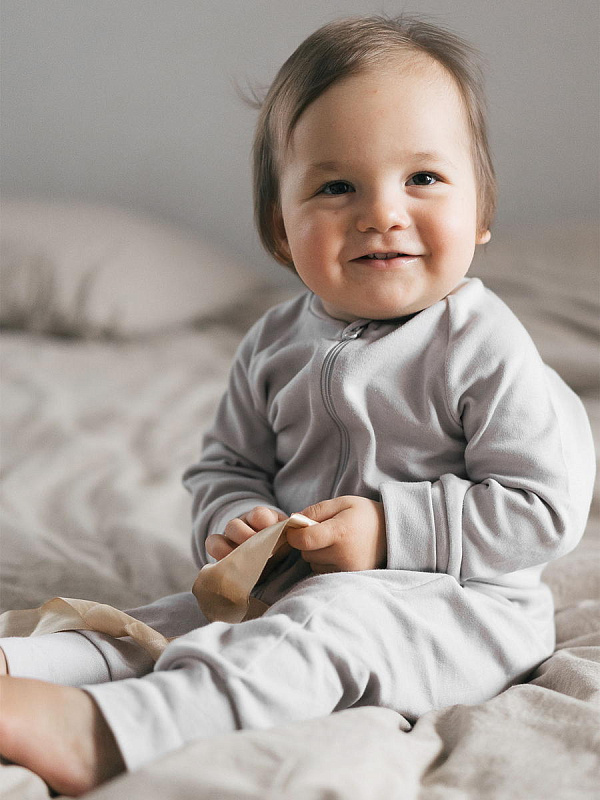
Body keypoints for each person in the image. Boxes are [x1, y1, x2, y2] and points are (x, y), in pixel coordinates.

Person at [0, 14, 595, 796]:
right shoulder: (274, 344)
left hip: (459, 614)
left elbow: (543, 509)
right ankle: (26, 668)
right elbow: (227, 465)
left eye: (422, 178)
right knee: (173, 621)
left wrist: (388, 531)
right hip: (290, 585)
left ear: (480, 211)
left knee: (319, 627)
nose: (382, 212)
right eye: (337, 186)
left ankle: (105, 736)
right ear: (280, 230)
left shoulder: (484, 345)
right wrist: (232, 519)